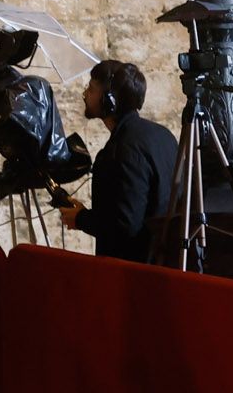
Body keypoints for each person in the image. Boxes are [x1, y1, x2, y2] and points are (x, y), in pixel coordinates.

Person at [61, 60, 178, 263]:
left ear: (109, 101)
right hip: (168, 264)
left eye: (92, 88)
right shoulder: (162, 135)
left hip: (134, 276)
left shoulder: (121, 150)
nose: (85, 94)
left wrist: (80, 219)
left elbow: (124, 226)